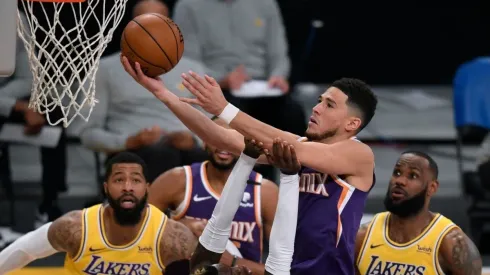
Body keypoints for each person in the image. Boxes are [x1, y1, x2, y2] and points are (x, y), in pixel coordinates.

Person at [172, 0, 307, 181]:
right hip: (216, 86)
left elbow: (279, 53)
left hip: (264, 86)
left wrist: (278, 76)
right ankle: (250, 188)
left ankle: (300, 184)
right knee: (236, 115)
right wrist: (222, 79)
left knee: (294, 113)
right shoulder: (188, 6)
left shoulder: (266, 4)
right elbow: (187, 59)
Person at [80, 0, 208, 183]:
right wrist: (127, 141)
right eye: (144, 23)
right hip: (130, 150)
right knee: (161, 155)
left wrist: (194, 140)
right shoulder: (103, 69)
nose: (151, 31)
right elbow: (87, 134)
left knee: (201, 158)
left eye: (159, 24)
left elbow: (213, 125)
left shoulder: (194, 69)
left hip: (185, 149)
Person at [149, 116, 279, 274]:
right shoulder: (177, 180)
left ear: (245, 144)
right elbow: (139, 232)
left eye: (232, 138)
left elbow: (283, 270)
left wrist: (231, 261)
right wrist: (173, 227)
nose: (224, 145)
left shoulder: (266, 192)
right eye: (217, 137)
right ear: (204, 140)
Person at [355, 151, 482, 275]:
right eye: (397, 173)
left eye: (413, 176)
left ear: (432, 188)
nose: (400, 181)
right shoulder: (362, 237)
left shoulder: (451, 243)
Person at [0, 12, 66, 229]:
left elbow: (28, 78)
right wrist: (15, 105)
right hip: (7, 101)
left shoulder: (12, 17)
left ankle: (49, 203)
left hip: (6, 95)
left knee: (53, 113)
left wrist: (20, 105)